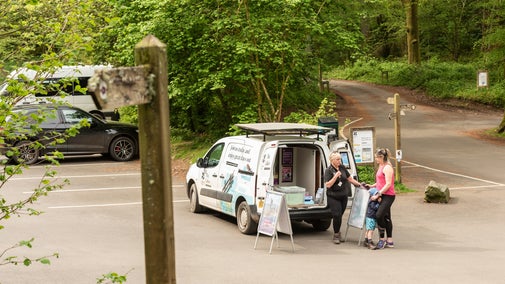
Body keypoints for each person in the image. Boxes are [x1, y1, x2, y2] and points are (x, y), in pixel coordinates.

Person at [325, 151, 362, 244]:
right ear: (332, 160)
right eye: (337, 159)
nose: (339, 161)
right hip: (333, 196)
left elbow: (349, 178)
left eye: (340, 159)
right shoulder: (328, 170)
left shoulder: (342, 167)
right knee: (336, 215)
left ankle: (338, 231)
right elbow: (328, 185)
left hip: (343, 196)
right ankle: (336, 234)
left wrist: (360, 185)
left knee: (340, 215)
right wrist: (335, 176)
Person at [365, 148, 396, 250]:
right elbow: (380, 181)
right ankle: (390, 240)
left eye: (377, 158)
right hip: (381, 193)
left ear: (382, 157)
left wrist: (378, 194)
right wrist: (372, 185)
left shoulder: (387, 168)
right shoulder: (381, 165)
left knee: (379, 215)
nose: (376, 160)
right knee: (386, 217)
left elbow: (388, 184)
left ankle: (382, 239)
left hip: (388, 195)